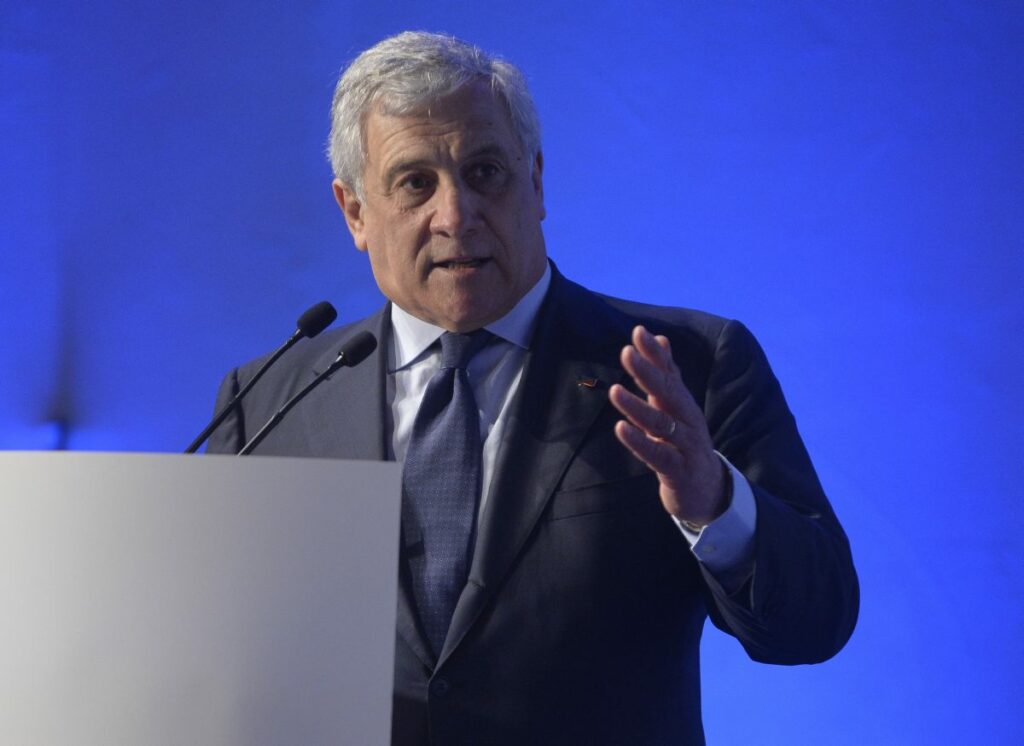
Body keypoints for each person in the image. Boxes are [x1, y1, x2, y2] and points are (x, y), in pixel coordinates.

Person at [207, 31, 858, 746]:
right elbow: (215, 653)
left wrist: (716, 504)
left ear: (537, 181)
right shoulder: (270, 402)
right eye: (415, 182)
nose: (456, 215)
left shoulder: (688, 366)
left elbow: (817, 620)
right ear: (355, 212)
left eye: (485, 172)